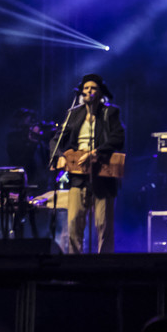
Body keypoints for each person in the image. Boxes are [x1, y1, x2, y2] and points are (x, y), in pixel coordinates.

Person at [56, 73, 126, 254]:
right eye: (86, 88)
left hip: (102, 174)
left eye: (93, 88)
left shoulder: (110, 112)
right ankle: (74, 264)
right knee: (74, 222)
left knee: (103, 224)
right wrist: (59, 155)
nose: (89, 91)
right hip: (78, 176)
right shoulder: (73, 114)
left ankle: (105, 263)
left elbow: (118, 138)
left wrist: (95, 152)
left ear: (100, 92)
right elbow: (57, 140)